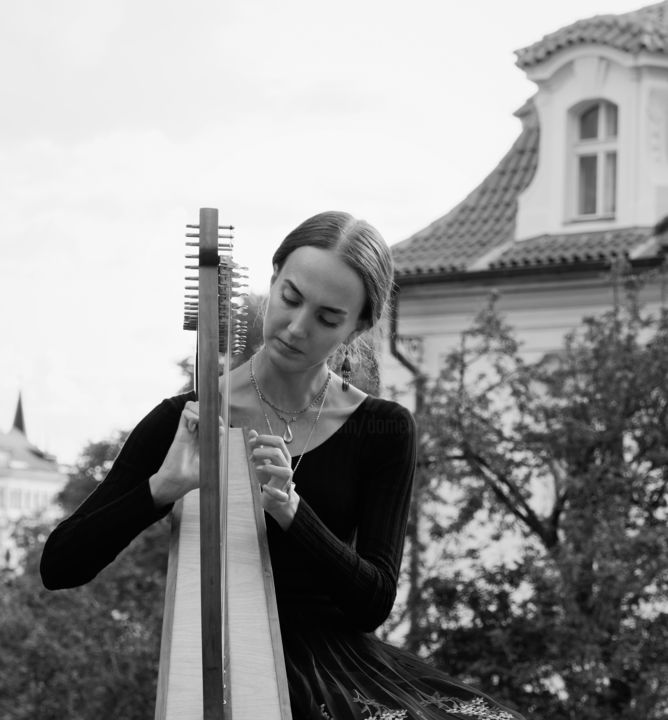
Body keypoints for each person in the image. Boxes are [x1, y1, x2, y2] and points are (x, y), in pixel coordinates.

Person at [40, 211, 525, 720]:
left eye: (327, 317)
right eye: (290, 298)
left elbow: (374, 602)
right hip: (215, 663)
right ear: (272, 280)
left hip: (339, 674)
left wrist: (294, 514)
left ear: (359, 324)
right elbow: (59, 564)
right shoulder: (185, 421)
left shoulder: (382, 429)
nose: (297, 327)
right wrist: (161, 488)